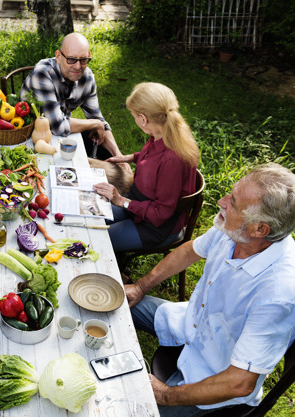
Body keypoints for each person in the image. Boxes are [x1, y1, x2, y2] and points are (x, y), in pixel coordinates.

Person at [126, 163, 295, 417]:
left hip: (215, 376)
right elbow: (190, 250)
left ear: (260, 229)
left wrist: (164, 394)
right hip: (189, 322)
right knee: (116, 301)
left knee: (134, 409)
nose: (221, 201)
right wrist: (139, 286)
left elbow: (239, 382)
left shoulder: (278, 293)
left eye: (233, 202)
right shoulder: (236, 230)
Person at [93, 82, 199, 252]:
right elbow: (155, 158)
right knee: (89, 221)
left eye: (134, 116)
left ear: (143, 119)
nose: (134, 120)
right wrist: (131, 157)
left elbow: (161, 213)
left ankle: (116, 271)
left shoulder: (172, 159)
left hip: (155, 226)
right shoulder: (164, 131)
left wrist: (120, 200)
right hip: (138, 206)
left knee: (96, 241)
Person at [20, 32, 123, 160]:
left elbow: (98, 120)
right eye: (71, 59)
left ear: (89, 55)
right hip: (28, 137)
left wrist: (119, 156)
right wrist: (95, 124)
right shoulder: (43, 73)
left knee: (107, 152)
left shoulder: (87, 77)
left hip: (61, 135)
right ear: (58, 56)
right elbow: (57, 125)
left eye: (83, 60)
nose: (78, 66)